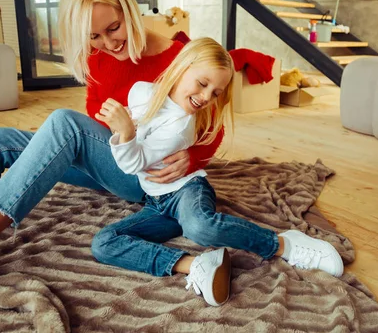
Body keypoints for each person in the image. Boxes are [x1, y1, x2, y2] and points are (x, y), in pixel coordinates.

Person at [0, 0, 222, 303]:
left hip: (144, 173)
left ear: (128, 8)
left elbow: (215, 125)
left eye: (114, 27)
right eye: (93, 36)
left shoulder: (180, 57)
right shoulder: (97, 57)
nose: (108, 43)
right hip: (111, 159)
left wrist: (192, 156)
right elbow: (94, 125)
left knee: (64, 124)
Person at [91, 37, 344, 307]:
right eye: (202, 84)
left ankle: (284, 244)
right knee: (104, 242)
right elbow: (141, 115)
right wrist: (129, 120)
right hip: (156, 203)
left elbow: (132, 164)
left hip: (186, 191)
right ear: (182, 68)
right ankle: (193, 264)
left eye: (215, 93)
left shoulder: (181, 128)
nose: (205, 97)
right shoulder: (141, 92)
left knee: (200, 226)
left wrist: (125, 132)